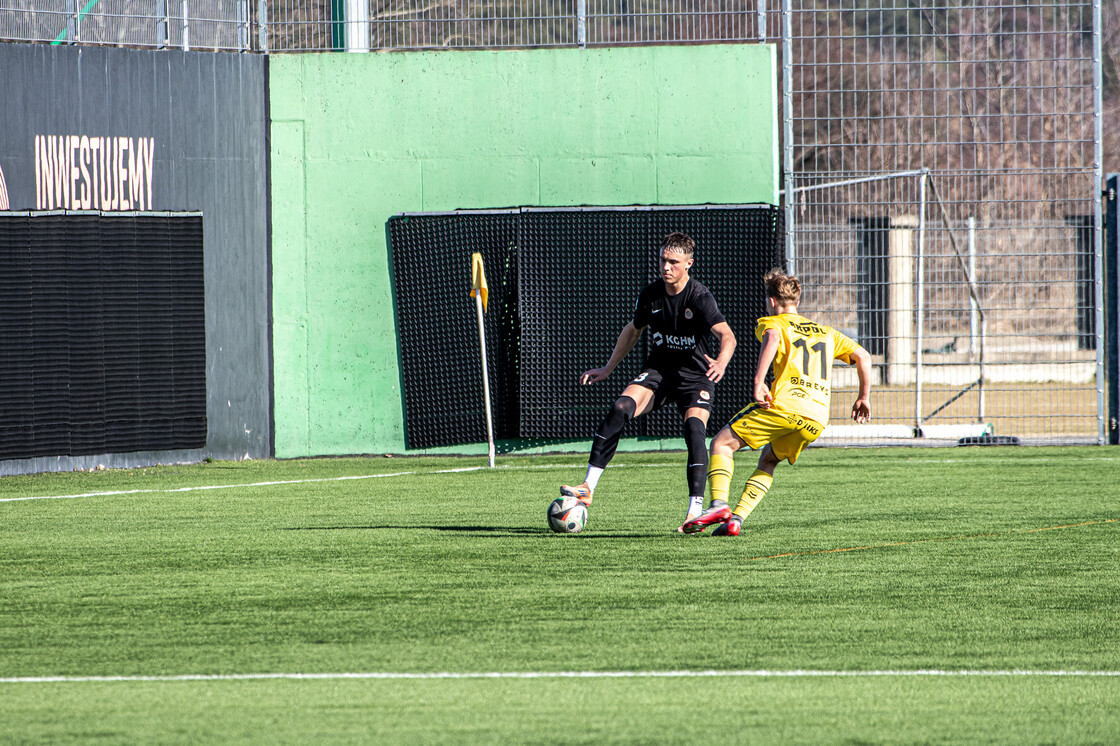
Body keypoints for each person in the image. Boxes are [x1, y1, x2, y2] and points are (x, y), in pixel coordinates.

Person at [560, 232, 737, 528]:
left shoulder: (699, 296)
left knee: (695, 428)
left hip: (695, 377)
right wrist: (607, 368)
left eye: (673, 262)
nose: (666, 267)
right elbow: (633, 330)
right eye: (662, 260)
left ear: (689, 264)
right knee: (620, 408)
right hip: (659, 372)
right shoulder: (651, 294)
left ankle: (695, 511)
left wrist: (721, 361)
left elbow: (727, 335)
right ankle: (587, 487)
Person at [679, 267, 872, 536]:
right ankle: (736, 519)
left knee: (721, 443)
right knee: (768, 460)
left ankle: (719, 504)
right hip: (816, 418)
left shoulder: (773, 323)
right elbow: (863, 356)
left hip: (785, 406)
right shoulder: (827, 332)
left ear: (771, 302)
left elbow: (772, 338)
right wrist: (863, 396)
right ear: (797, 301)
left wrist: (759, 382)